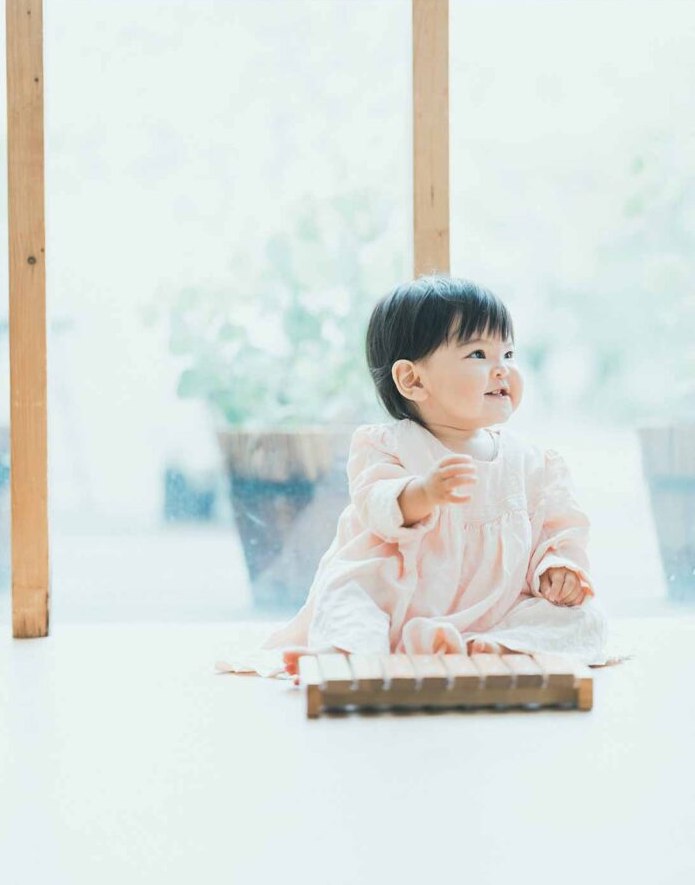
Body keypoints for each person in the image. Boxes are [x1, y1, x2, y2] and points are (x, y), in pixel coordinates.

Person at [220, 273, 610, 680]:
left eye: (508, 355)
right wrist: (420, 494)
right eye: (478, 354)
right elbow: (374, 503)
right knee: (347, 596)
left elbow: (559, 527)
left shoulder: (534, 463)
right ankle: (344, 652)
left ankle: (497, 646)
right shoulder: (386, 445)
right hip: (399, 601)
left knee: (585, 617)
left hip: (497, 609)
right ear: (413, 380)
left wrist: (557, 566)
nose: (502, 371)